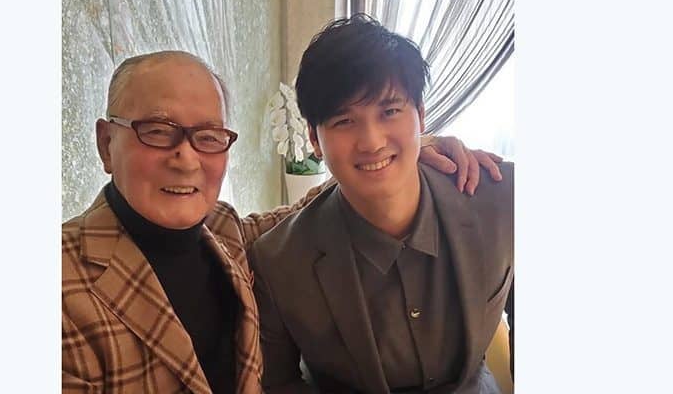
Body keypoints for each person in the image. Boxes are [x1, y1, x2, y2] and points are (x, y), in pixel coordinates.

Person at [62, 50, 502, 394]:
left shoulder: (225, 232)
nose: (186, 158)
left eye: (208, 137)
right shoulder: (61, 286)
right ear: (106, 143)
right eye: (157, 131)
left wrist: (403, 151)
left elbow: (320, 206)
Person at [249, 14, 514, 393]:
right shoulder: (278, 262)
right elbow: (279, 384)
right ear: (314, 140)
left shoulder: (501, 197)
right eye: (344, 121)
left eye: (389, 111)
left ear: (421, 115)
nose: (372, 142)